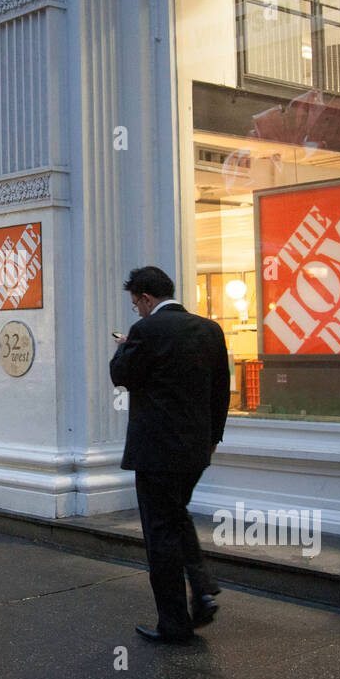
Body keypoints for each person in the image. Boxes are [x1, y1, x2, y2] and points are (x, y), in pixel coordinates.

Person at [110, 265, 230, 644]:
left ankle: (174, 623)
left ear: (147, 298)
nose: (138, 311)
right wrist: (213, 438)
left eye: (136, 305)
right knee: (176, 515)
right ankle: (203, 585)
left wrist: (124, 346)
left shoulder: (146, 331)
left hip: (155, 451)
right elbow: (221, 390)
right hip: (195, 449)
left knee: (160, 534)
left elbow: (121, 375)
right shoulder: (210, 329)